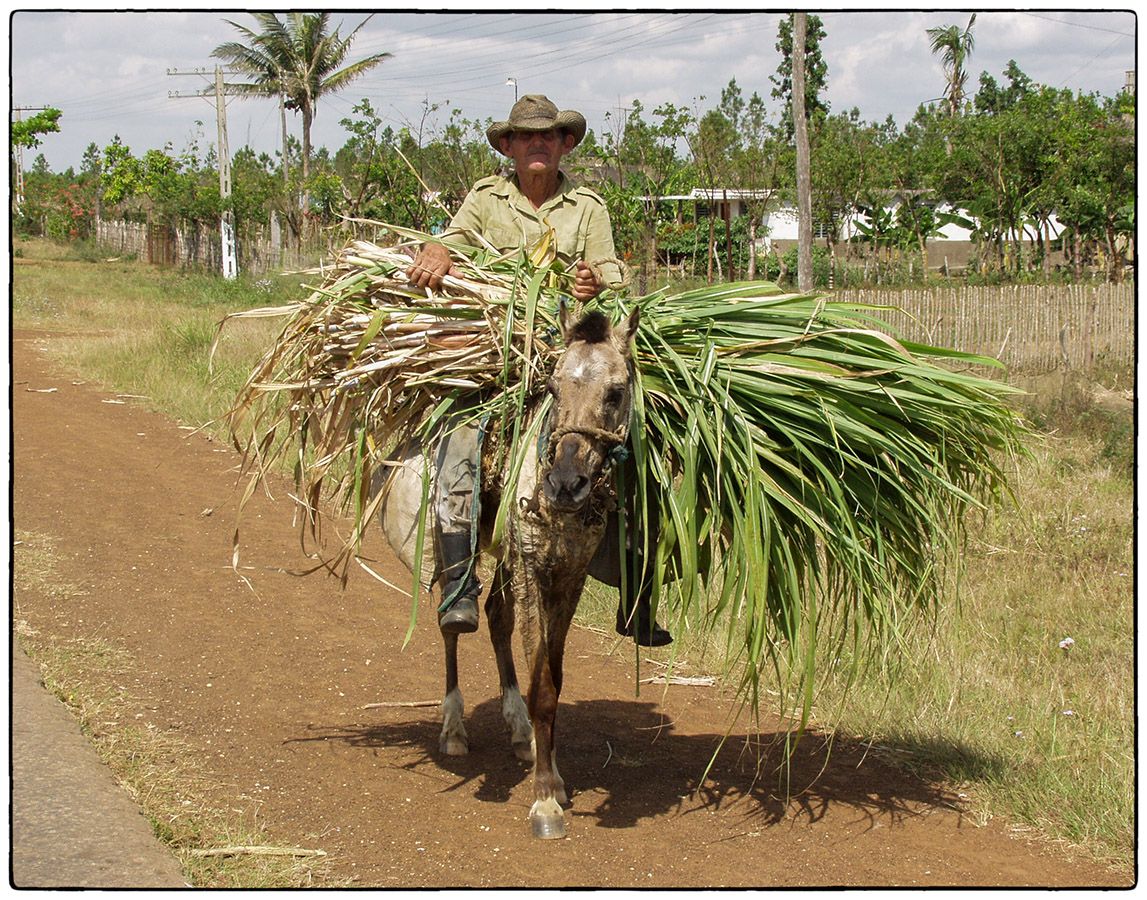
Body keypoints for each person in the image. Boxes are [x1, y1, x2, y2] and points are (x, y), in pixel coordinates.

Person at [405, 94, 671, 647]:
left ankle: (638, 594)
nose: (537, 144)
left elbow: (613, 275)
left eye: (548, 136)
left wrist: (595, 282)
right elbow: (446, 242)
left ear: (563, 144)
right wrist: (436, 253)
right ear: (509, 146)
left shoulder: (587, 206)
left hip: (571, 354)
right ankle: (458, 585)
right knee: (460, 441)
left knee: (636, 447)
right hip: (500, 353)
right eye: (526, 136)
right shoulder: (485, 198)